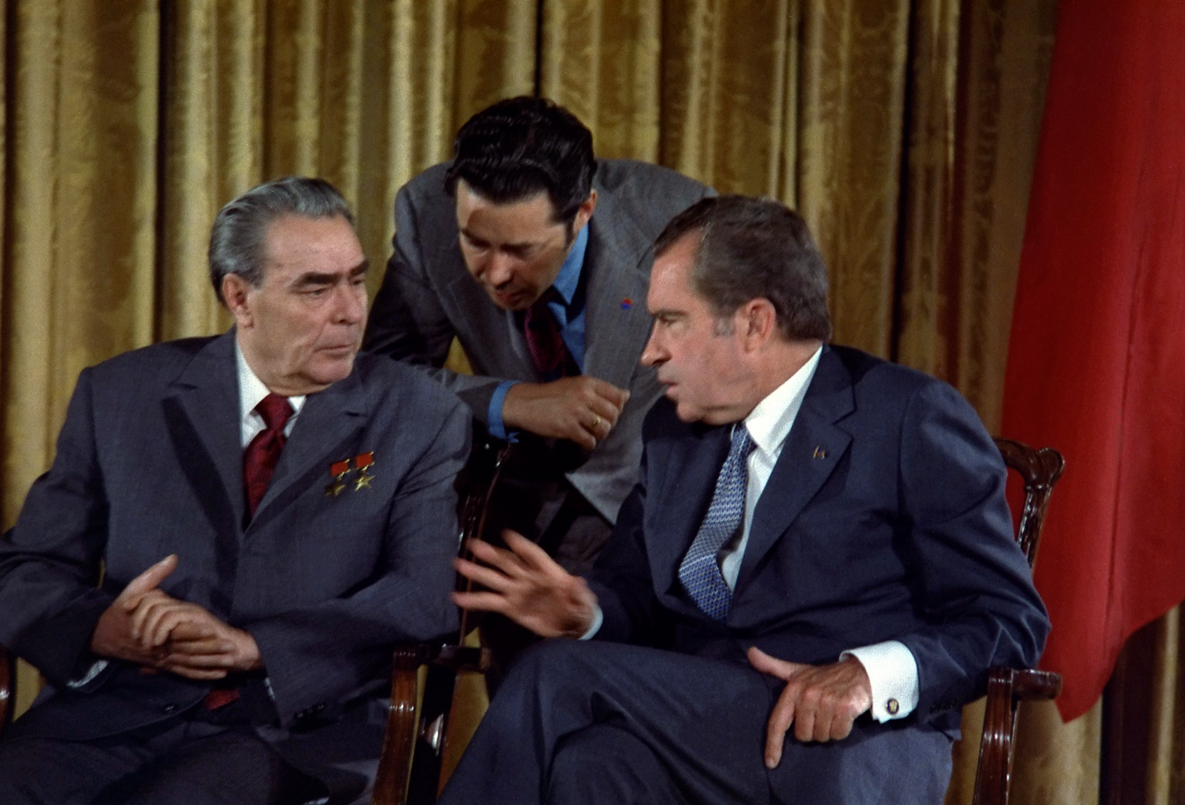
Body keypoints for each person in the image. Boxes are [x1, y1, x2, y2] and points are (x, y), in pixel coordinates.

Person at [438, 195, 1051, 805]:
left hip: (837, 742)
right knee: (591, 765)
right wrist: (586, 614)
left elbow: (1007, 620)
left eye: (671, 321)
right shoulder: (673, 434)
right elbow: (634, 597)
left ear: (755, 323)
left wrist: (867, 674)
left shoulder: (906, 417)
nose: (649, 351)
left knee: (554, 675)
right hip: (700, 725)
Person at [0, 177, 470, 805]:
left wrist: (253, 648)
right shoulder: (120, 395)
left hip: (296, 726)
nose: (352, 310)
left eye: (356, 280)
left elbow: (424, 596)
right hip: (116, 712)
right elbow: (25, 569)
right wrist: (104, 627)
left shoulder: (418, 414)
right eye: (316, 287)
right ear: (240, 298)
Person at [363, 95, 712, 575]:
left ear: (584, 209)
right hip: (504, 504)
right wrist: (508, 401)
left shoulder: (683, 223)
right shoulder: (426, 214)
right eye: (476, 243)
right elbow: (380, 378)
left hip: (652, 516)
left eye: (522, 249)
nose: (497, 273)